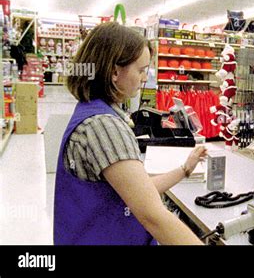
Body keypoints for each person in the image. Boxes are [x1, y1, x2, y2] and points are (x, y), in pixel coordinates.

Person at [54, 22, 207, 245]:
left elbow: (138, 192)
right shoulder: (104, 126)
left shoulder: (91, 111)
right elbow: (153, 216)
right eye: (141, 70)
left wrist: (185, 169)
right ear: (115, 71)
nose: (145, 78)